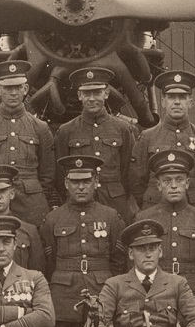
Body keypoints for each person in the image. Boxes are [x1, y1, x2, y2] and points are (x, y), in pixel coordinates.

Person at [40, 156, 126, 327]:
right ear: (66, 184)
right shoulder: (53, 219)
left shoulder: (111, 217)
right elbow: (48, 261)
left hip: (101, 293)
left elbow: (118, 260)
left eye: (86, 181)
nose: (81, 187)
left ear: (96, 182)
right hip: (65, 299)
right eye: (75, 182)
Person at [0, 60, 55, 224]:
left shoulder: (40, 128)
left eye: (18, 87)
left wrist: (35, 194)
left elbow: (48, 174)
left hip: (31, 205)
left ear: (25, 89)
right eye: (7, 88)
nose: (13, 93)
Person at [55, 66, 140, 222]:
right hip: (79, 202)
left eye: (97, 92)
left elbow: (128, 170)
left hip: (115, 201)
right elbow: (60, 174)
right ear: (79, 95)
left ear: (106, 93)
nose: (92, 98)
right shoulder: (66, 131)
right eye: (87, 93)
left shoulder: (123, 129)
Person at [129, 70, 195, 217]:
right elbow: (136, 180)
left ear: (190, 102)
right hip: (155, 210)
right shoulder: (147, 137)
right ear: (163, 101)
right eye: (171, 97)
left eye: (182, 97)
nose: (177, 102)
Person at [134, 148, 195, 305]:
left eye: (179, 180)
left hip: (193, 292)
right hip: (155, 290)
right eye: (167, 180)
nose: (173, 186)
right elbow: (135, 263)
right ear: (158, 185)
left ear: (187, 183)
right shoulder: (144, 218)